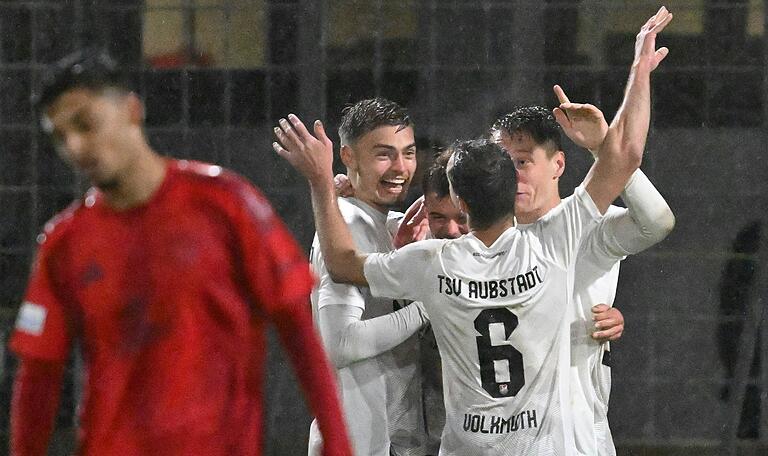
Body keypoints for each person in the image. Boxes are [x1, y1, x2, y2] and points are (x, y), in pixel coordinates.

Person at [274, 7, 672, 454]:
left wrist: (323, 185)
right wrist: (639, 70)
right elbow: (628, 154)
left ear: (460, 204)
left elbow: (344, 264)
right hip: (537, 444)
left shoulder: (431, 261)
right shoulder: (554, 242)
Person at [8, 49, 352, 456]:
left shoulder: (227, 204)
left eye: (85, 124)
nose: (76, 146)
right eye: (60, 137)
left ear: (133, 110)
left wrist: (339, 445)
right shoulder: (63, 243)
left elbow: (298, 331)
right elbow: (39, 376)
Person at [302, 98, 430, 456]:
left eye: (409, 152)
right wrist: (428, 305)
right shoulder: (348, 225)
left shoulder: (390, 224)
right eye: (383, 154)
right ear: (347, 156)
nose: (400, 167)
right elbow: (341, 344)